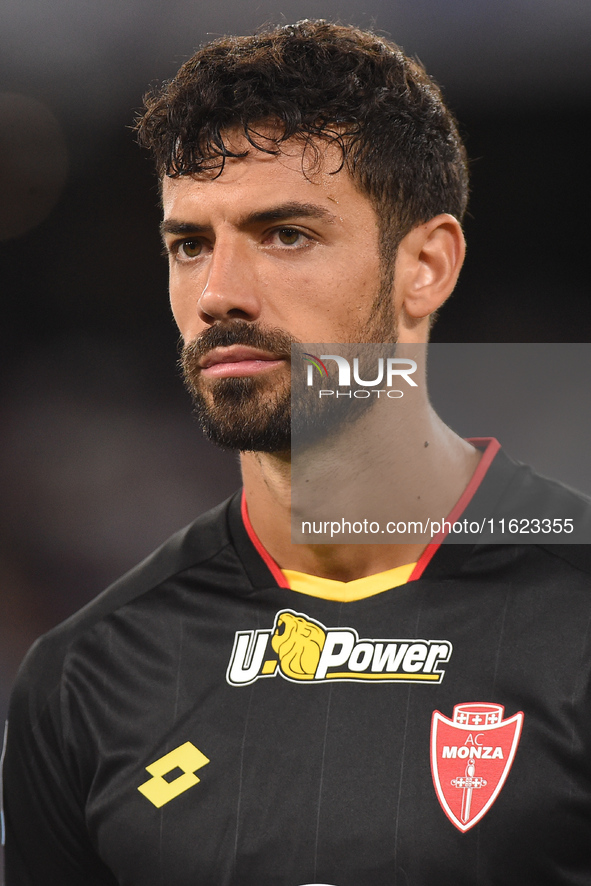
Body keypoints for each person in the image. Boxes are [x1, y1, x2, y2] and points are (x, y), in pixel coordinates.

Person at [2, 19, 591, 886]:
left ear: (424, 266)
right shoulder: (88, 676)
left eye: (286, 235)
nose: (218, 295)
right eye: (189, 245)